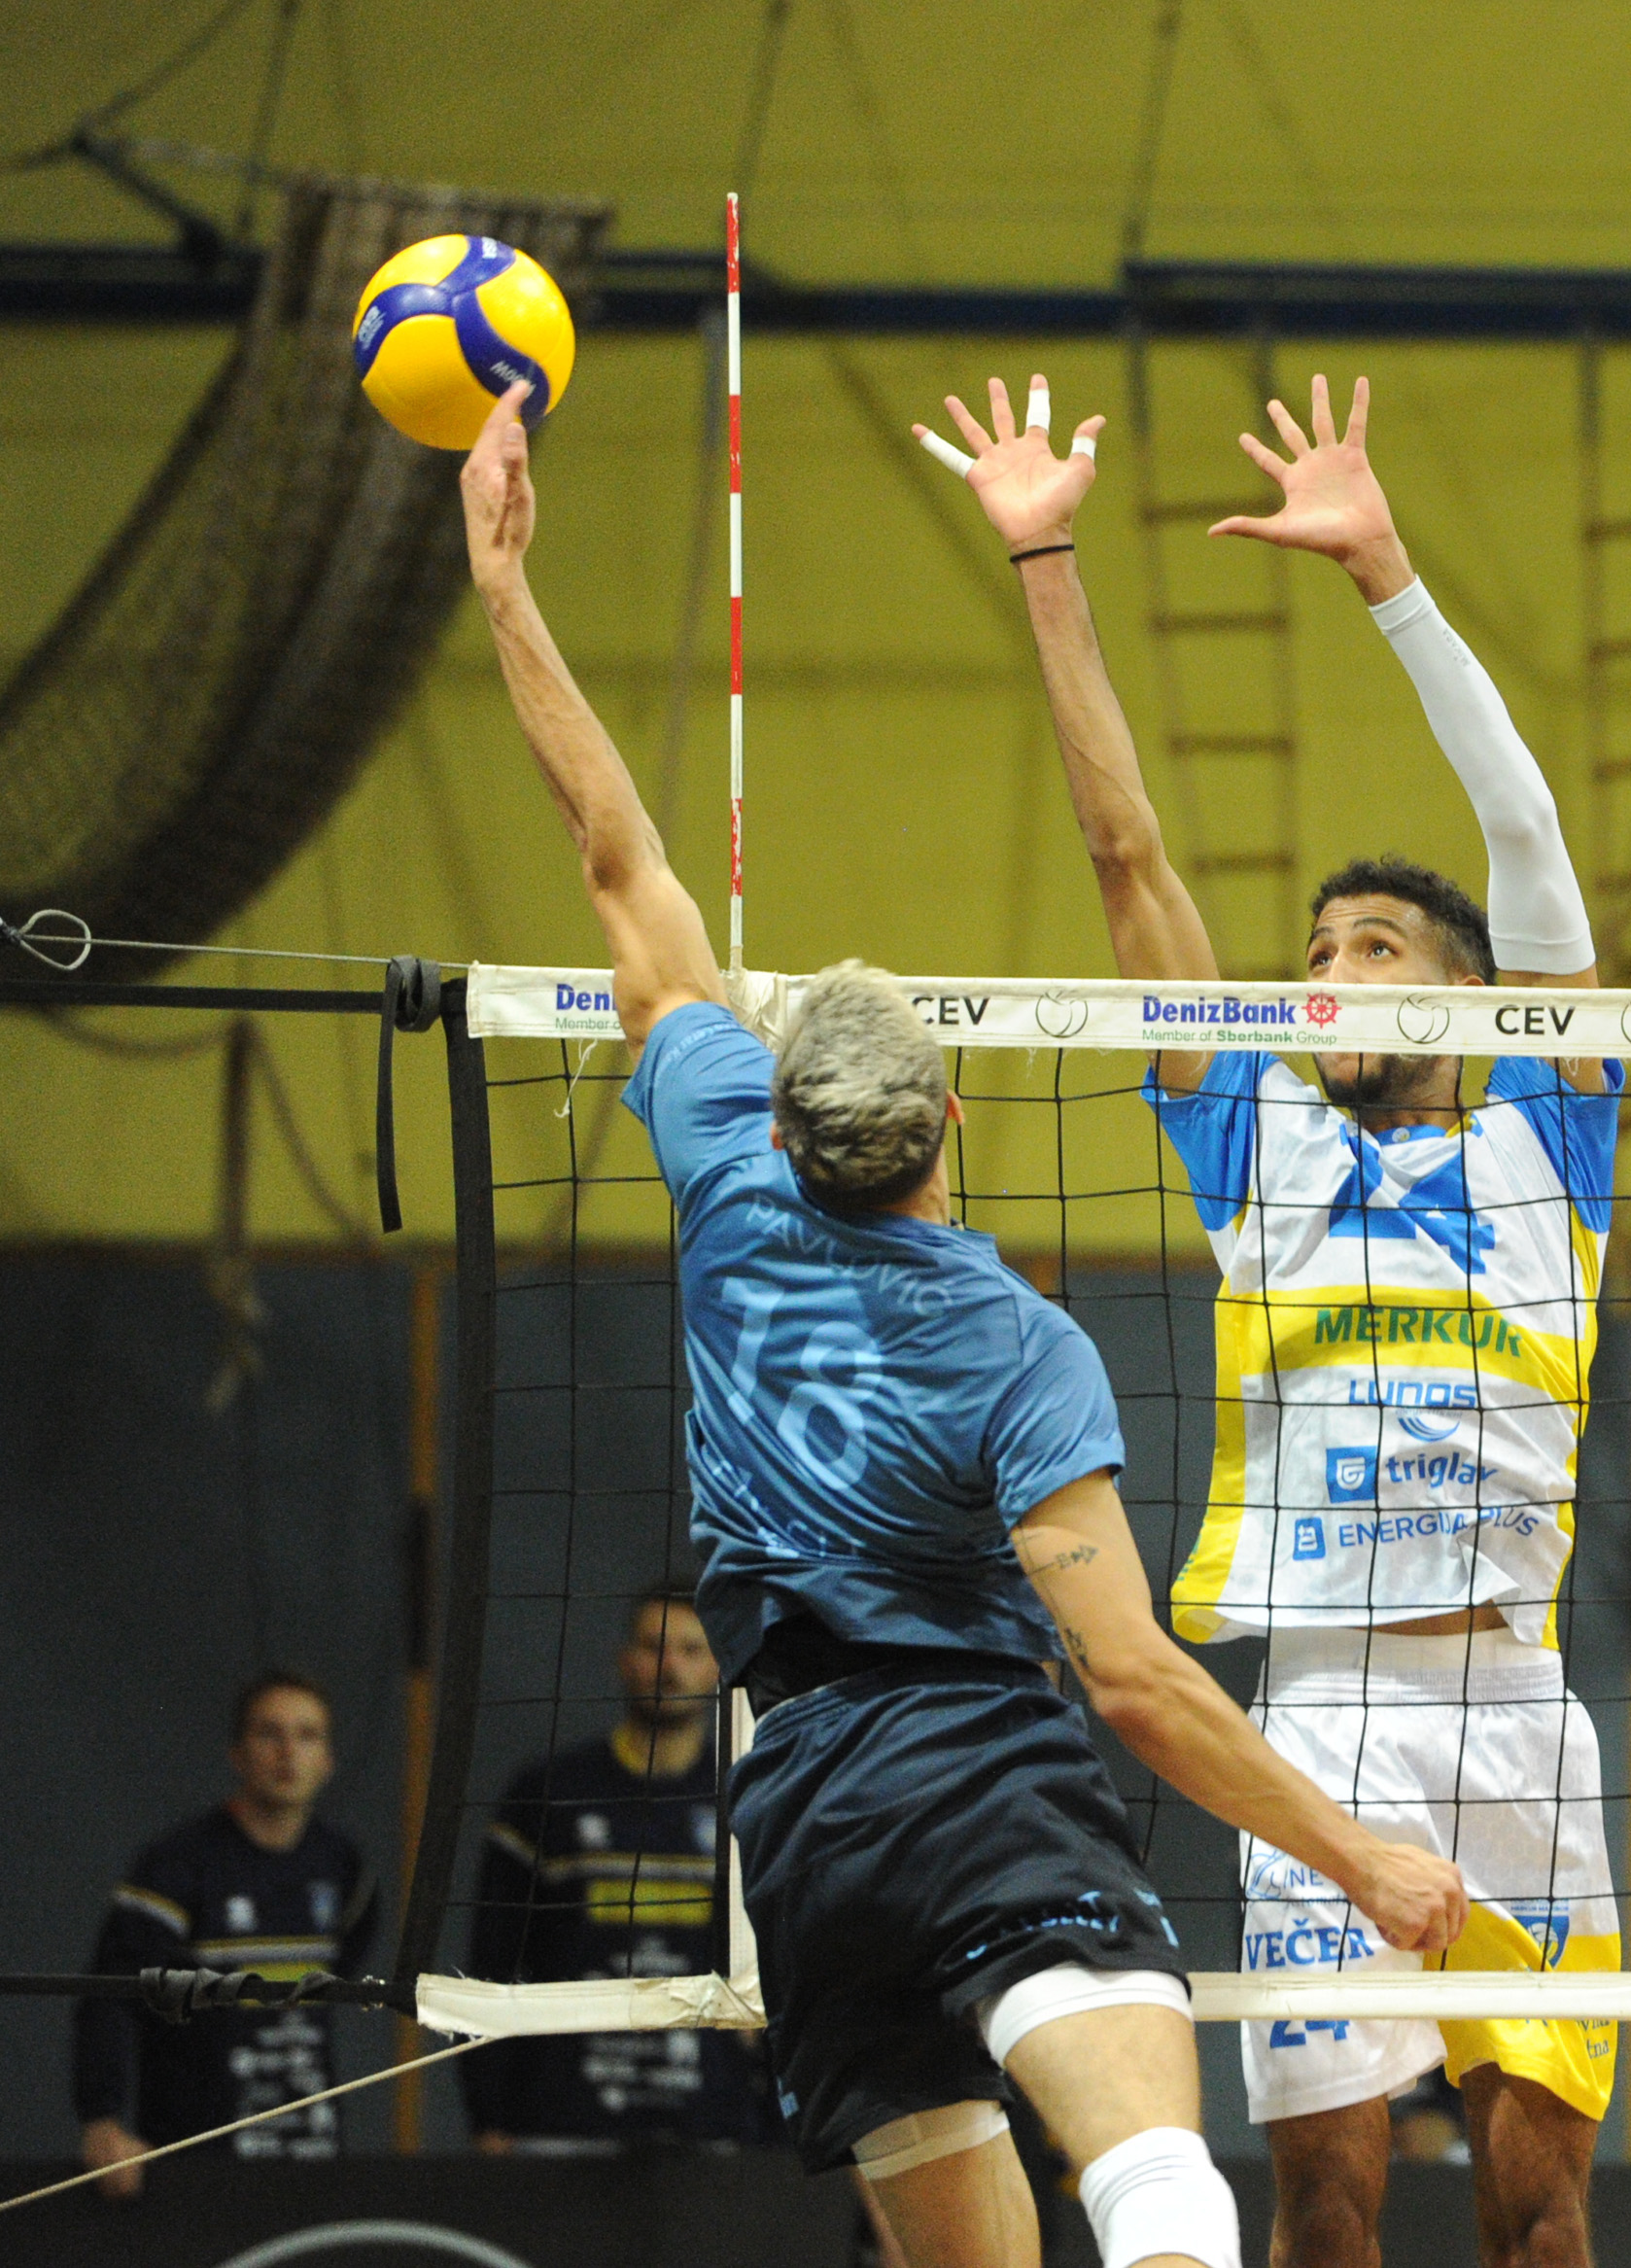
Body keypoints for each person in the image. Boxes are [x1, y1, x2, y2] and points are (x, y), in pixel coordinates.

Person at [457, 377, 1467, 2268]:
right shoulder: (1019, 1344)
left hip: (803, 1813)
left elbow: (618, 855)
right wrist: (1365, 1856)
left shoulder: (725, 1178)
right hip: (988, 1779)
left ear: (777, 1125)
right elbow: (1135, 1681)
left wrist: (504, 585)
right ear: (952, 1122)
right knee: (1160, 2183)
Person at [920, 370, 1620, 2268]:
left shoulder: (1553, 1135)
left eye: (1374, 948)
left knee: (1543, 2210)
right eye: (1313, 953)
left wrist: (1388, 573)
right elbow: (1127, 860)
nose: (1328, 975)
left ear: (1472, 996)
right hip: (1322, 1711)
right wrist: (1045, 558)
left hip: (1522, 1707)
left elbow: (1527, 827)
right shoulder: (1259, 1143)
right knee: (1326, 2198)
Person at [460, 1588, 774, 2149]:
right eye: (654, 1647)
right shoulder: (549, 1792)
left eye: (690, 1650)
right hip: (561, 2121)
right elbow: (492, 1960)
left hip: (711, 2125)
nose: (670, 1666)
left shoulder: (751, 1797)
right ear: (625, 1660)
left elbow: (782, 1967)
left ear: (719, 1668)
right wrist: (488, 2116)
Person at [72, 1670, 380, 2197]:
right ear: (237, 1753)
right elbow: (110, 1995)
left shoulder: (345, 1867)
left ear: (328, 1760)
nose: (288, 1753)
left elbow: (346, 1964)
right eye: (269, 1733)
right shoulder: (175, 1865)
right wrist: (102, 2120)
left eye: (307, 1736)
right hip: (193, 2159)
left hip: (313, 2153)